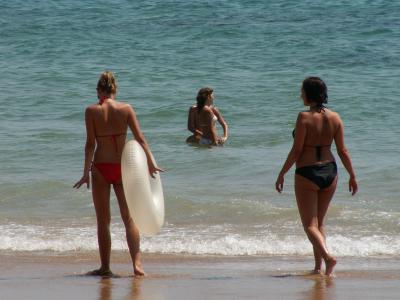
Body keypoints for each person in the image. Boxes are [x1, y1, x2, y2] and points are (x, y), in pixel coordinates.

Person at [74, 71, 162, 277]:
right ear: (115, 90)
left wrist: (85, 172)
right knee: (129, 219)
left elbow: (90, 145)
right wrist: (150, 163)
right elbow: (140, 139)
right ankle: (137, 265)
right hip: (123, 168)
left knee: (103, 221)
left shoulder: (91, 111)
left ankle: (105, 267)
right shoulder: (126, 108)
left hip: (100, 169)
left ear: (99, 91)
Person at [275, 77, 358, 277]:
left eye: (302, 91)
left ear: (309, 93)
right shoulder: (336, 117)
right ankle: (319, 268)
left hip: (307, 172)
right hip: (331, 171)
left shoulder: (304, 117)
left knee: (309, 225)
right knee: (319, 223)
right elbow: (343, 151)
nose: (300, 94)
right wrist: (352, 176)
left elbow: (296, 151)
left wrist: (282, 173)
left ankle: (328, 258)